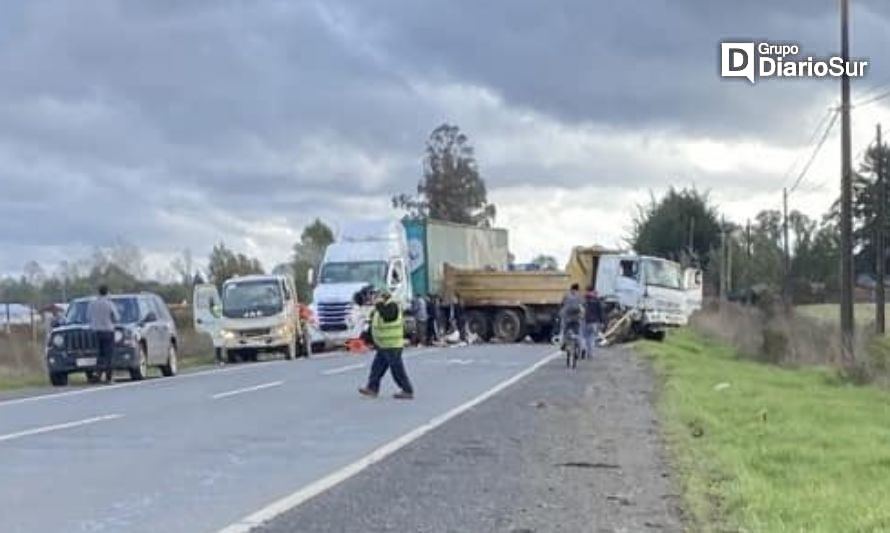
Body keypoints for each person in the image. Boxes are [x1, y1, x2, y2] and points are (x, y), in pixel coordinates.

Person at [359, 290, 414, 400]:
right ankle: (372, 388)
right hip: (383, 345)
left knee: (397, 369)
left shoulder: (392, 306)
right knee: (377, 368)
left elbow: (388, 316)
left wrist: (379, 305)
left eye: (376, 297)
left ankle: (407, 390)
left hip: (392, 345)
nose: (374, 300)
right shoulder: (379, 309)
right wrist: (365, 339)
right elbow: (374, 326)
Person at [87, 285, 119, 383]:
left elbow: (88, 316)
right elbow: (116, 317)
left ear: (98, 292)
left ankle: (97, 374)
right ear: (107, 292)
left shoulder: (92, 304)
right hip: (108, 331)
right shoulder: (109, 304)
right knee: (108, 355)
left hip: (96, 331)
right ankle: (109, 377)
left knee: (99, 354)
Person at [559, 283, 585, 351]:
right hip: (576, 317)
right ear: (578, 289)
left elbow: (561, 304)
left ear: (571, 289)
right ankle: (579, 347)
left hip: (567, 317)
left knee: (564, 330)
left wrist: (561, 312)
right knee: (577, 332)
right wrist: (582, 315)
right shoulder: (580, 296)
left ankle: (564, 344)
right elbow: (583, 306)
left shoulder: (566, 295)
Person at [583, 286, 604, 357]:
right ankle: (590, 353)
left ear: (586, 291)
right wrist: (601, 322)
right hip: (594, 322)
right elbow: (600, 312)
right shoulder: (597, 300)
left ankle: (583, 350)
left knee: (584, 337)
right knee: (591, 338)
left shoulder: (583, 299)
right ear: (593, 291)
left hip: (585, 320)